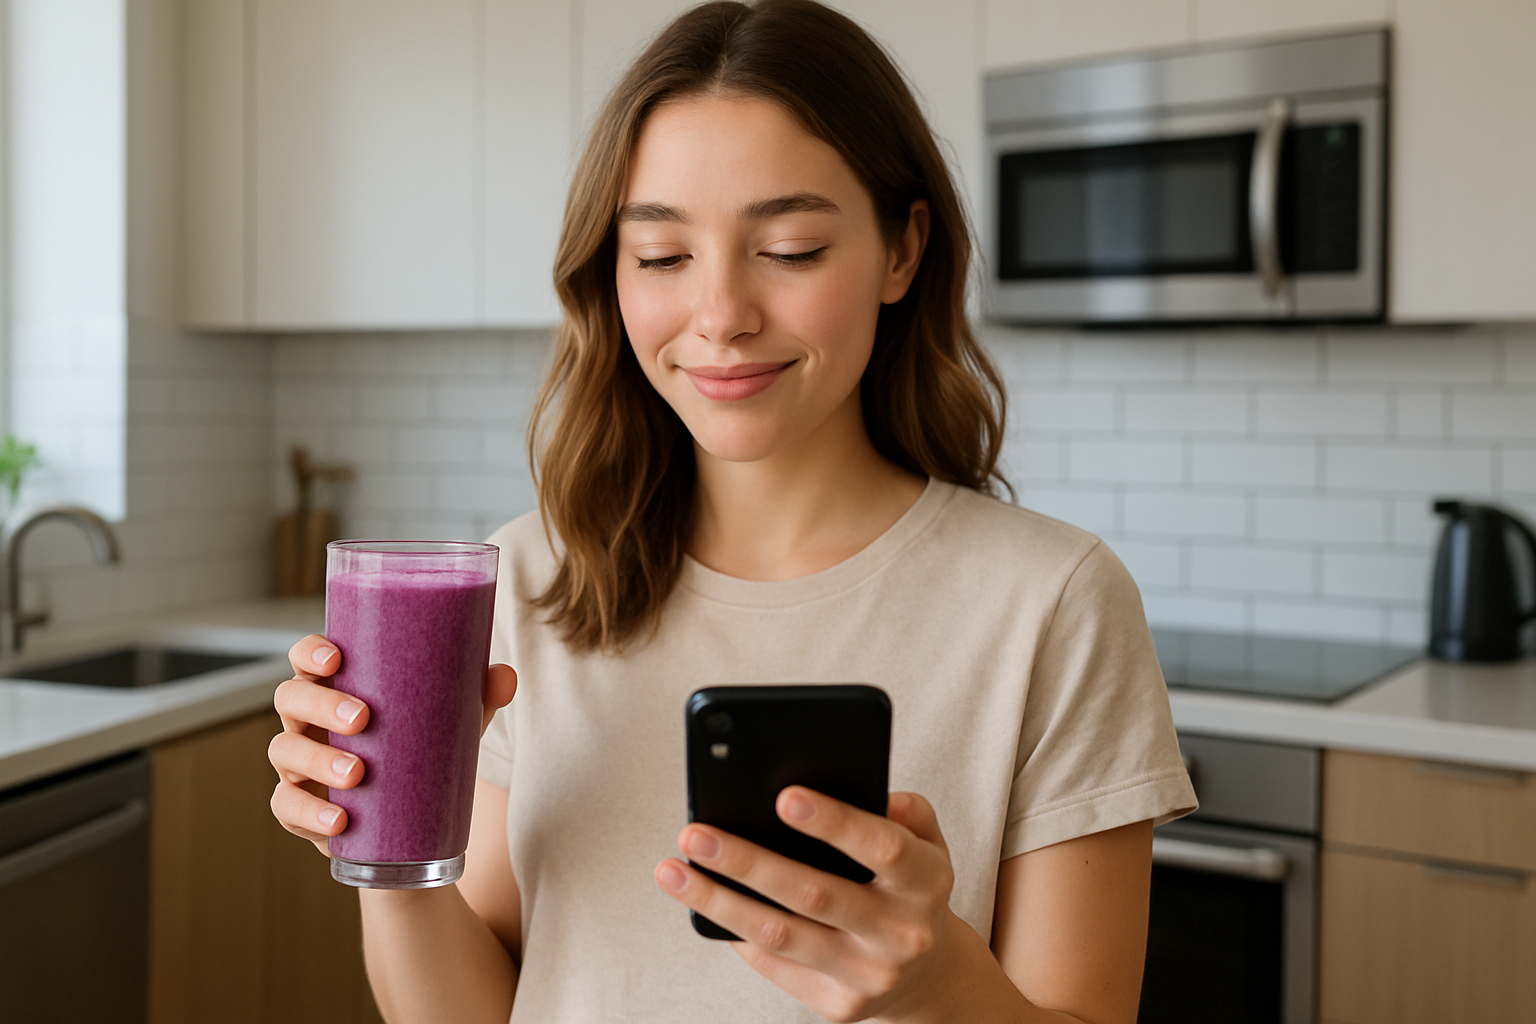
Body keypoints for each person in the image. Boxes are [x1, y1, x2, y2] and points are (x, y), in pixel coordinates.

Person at [268, 2, 1196, 1022]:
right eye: (662, 257)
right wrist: (383, 841)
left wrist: (940, 988)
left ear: (902, 250)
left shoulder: (1053, 603)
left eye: (791, 248)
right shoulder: (527, 579)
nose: (720, 316)